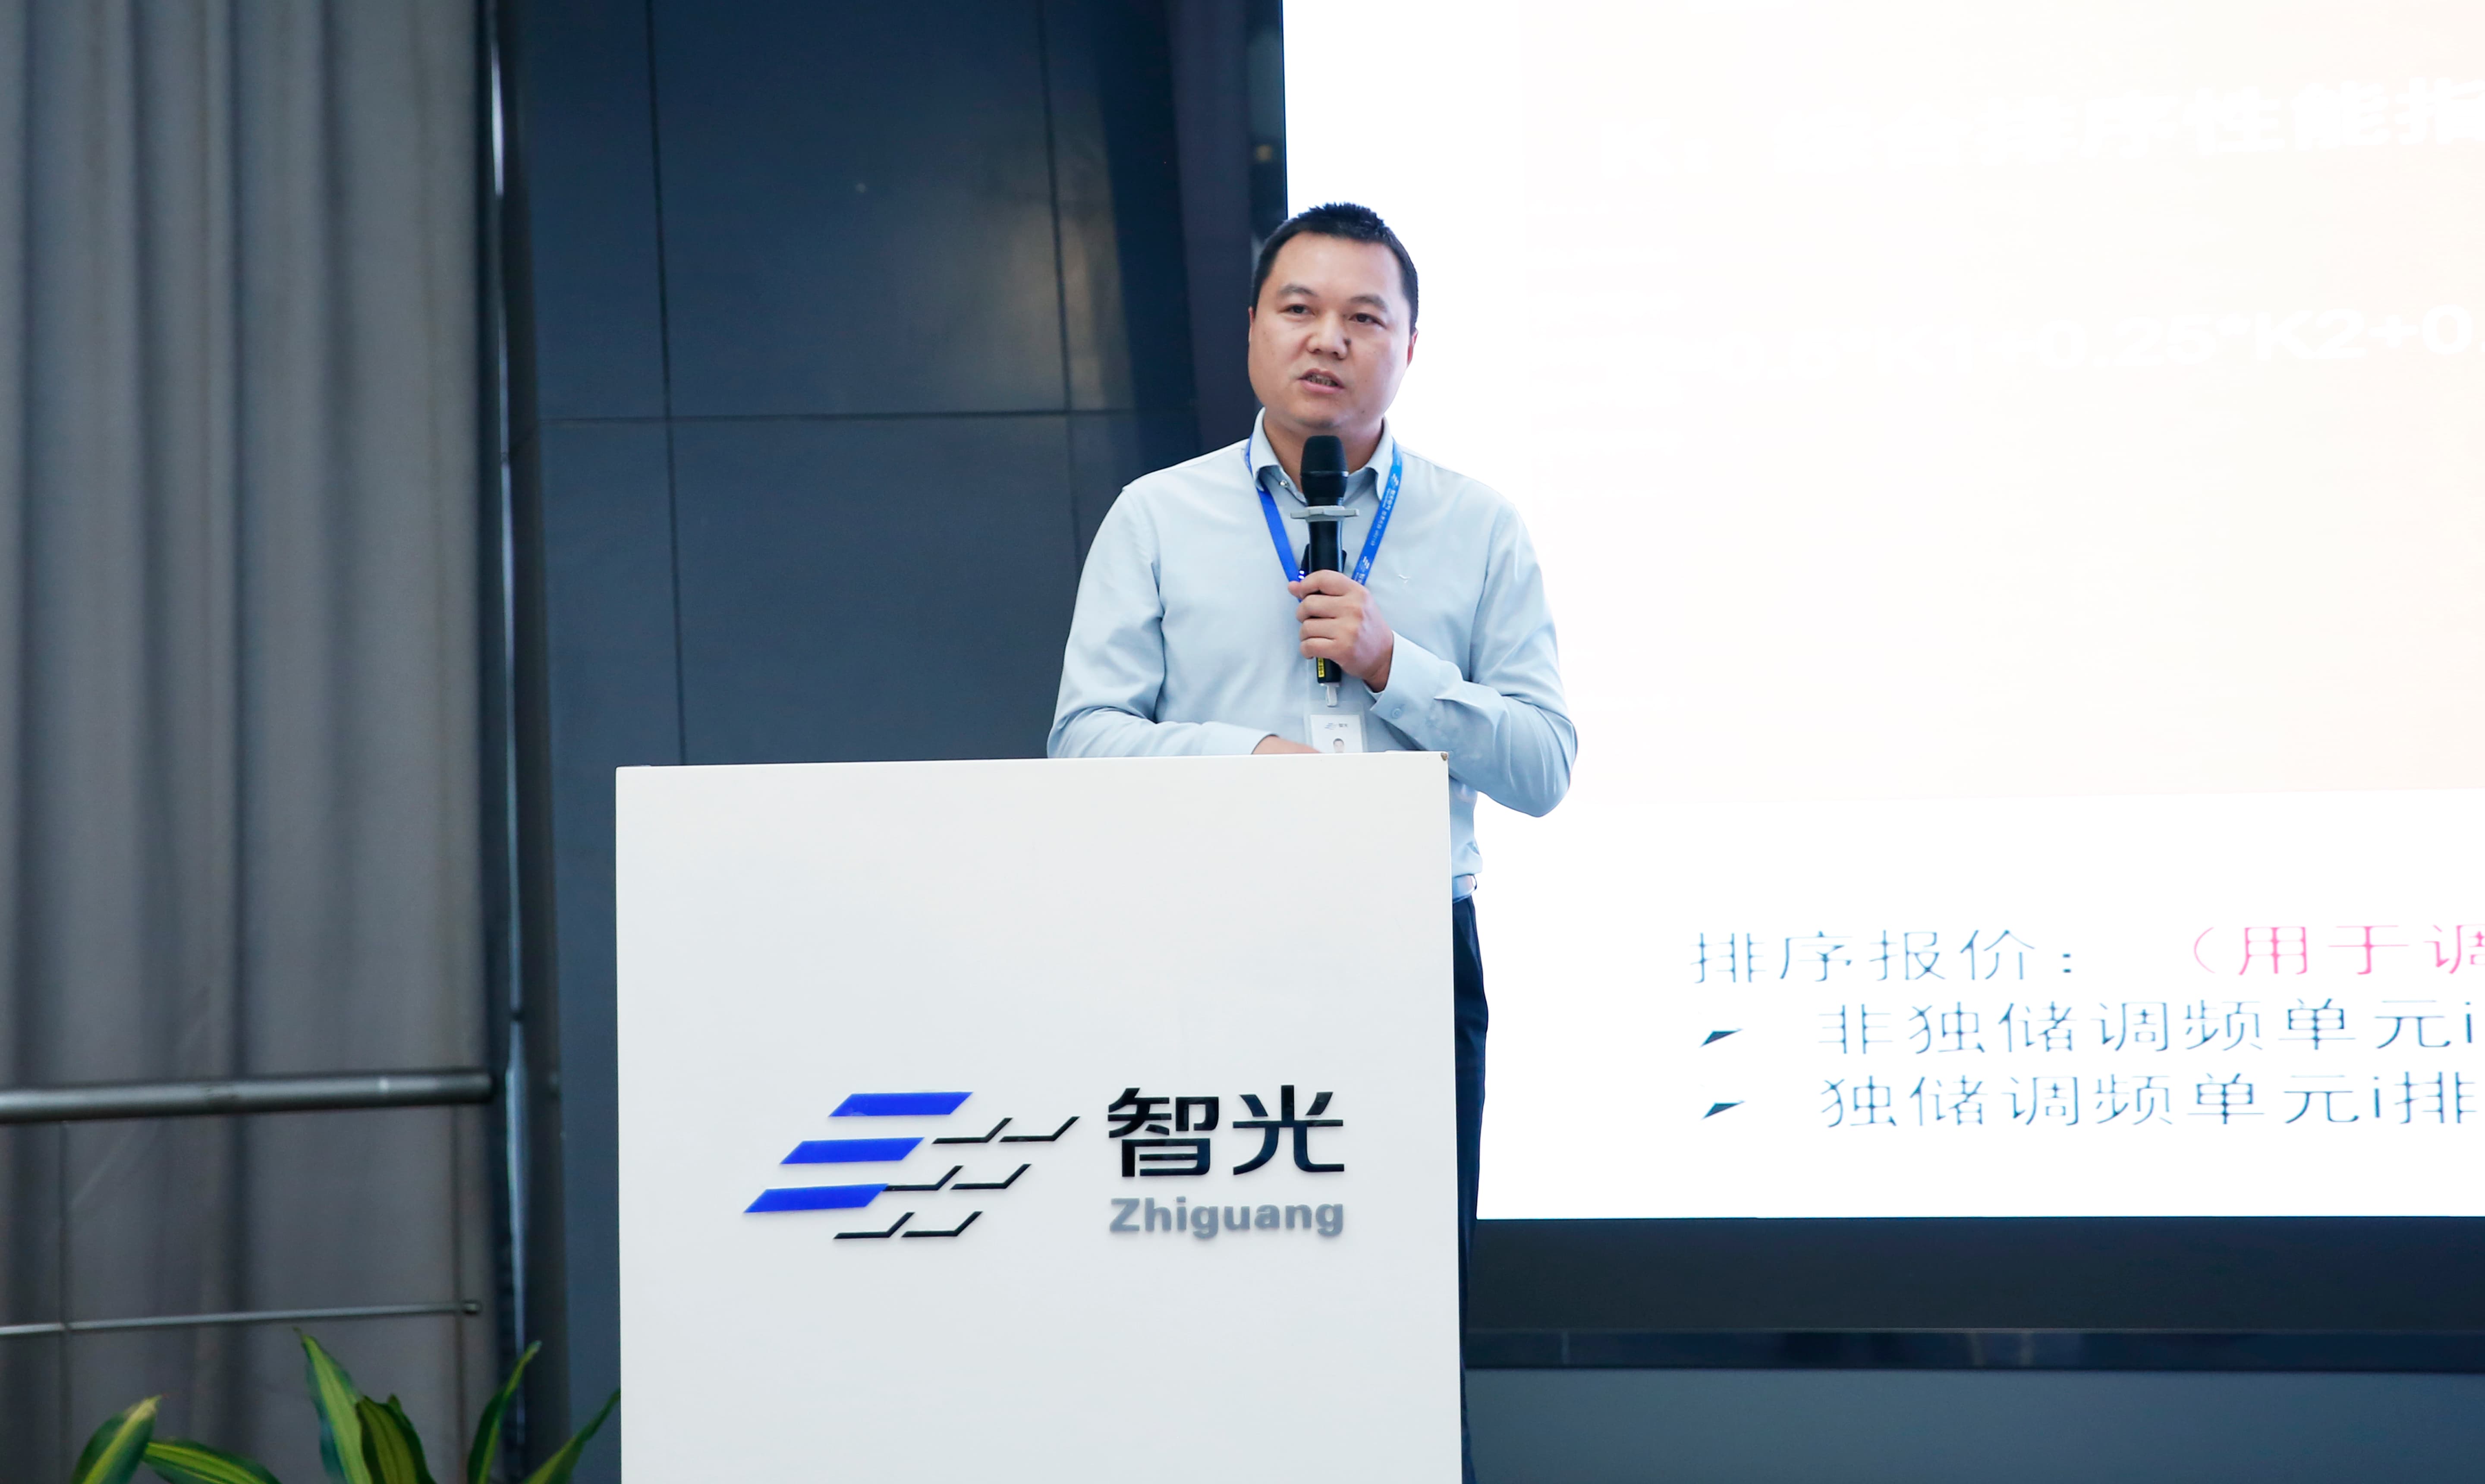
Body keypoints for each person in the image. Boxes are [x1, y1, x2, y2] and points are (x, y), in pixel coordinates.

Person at [1047, 201, 1573, 1471]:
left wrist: (1400, 668)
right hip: (1202, 955)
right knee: (1210, 1286)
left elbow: (1546, 765)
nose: (1328, 339)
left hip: (1409, 955)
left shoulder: (1480, 526)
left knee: (1406, 1303)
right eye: (1299, 309)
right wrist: (1250, 764)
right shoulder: (1156, 519)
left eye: (1363, 317)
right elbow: (1083, 743)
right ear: (1252, 331)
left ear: (1409, 348)